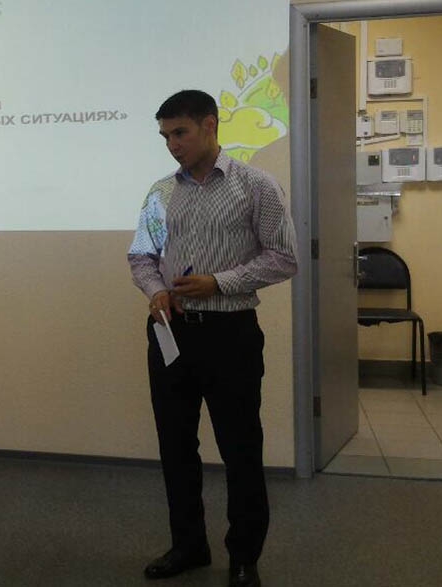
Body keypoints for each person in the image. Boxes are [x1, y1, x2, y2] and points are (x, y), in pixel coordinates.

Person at [127, 90, 297, 587]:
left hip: (230, 334)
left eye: (180, 132)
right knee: (175, 445)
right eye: (165, 136)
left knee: (240, 448)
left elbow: (284, 257)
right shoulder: (160, 192)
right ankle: (188, 545)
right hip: (170, 333)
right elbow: (141, 256)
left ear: (209, 125)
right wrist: (157, 291)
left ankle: (244, 556)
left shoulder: (256, 185)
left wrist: (218, 282)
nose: (172, 145)